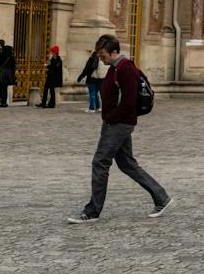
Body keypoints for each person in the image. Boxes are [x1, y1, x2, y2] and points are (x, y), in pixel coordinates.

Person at [65, 35, 171, 224]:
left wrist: (112, 117)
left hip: (119, 124)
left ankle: (92, 211)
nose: (101, 59)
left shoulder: (125, 69)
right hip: (116, 122)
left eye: (103, 55)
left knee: (100, 163)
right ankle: (161, 197)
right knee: (127, 163)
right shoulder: (115, 68)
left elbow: (129, 100)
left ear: (114, 52)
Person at [76, 46, 104, 113]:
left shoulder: (91, 59)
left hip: (91, 79)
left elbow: (86, 70)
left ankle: (92, 108)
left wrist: (80, 77)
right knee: (96, 93)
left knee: (92, 94)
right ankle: (98, 107)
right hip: (99, 79)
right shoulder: (101, 59)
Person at [0, 39, 17, 107]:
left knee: (3, 87)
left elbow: (2, 62)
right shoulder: (6, 53)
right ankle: (3, 101)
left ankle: (3, 102)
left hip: (3, 72)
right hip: (6, 72)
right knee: (2, 87)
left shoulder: (4, 52)